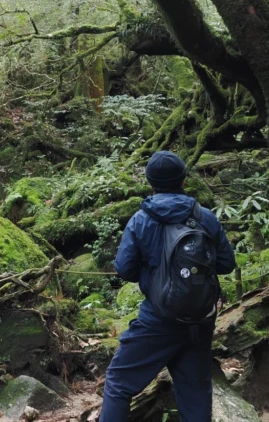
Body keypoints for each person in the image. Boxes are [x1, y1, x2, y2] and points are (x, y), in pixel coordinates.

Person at [99, 151, 236, 422]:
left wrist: (153, 269)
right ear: (183, 180)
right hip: (200, 319)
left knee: (118, 381)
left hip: (158, 319)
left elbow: (124, 269)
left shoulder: (141, 220)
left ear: (150, 182)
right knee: (195, 395)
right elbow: (226, 264)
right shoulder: (205, 217)